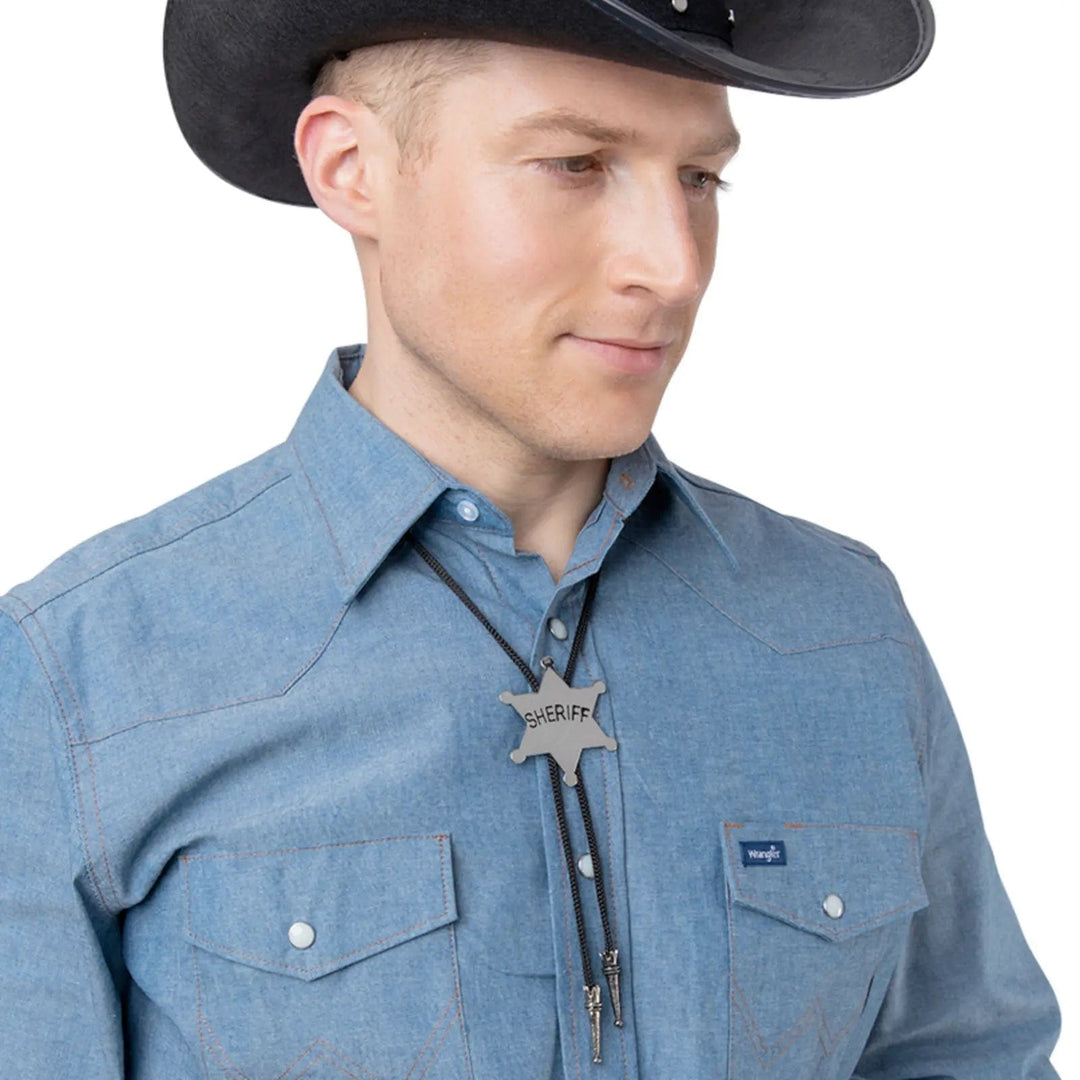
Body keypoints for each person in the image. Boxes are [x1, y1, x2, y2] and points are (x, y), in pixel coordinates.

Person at [0, 0, 1062, 1076]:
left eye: (700, 178)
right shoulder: (74, 681)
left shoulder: (844, 632)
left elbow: (967, 1052)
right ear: (352, 169)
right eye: (576, 163)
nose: (674, 265)